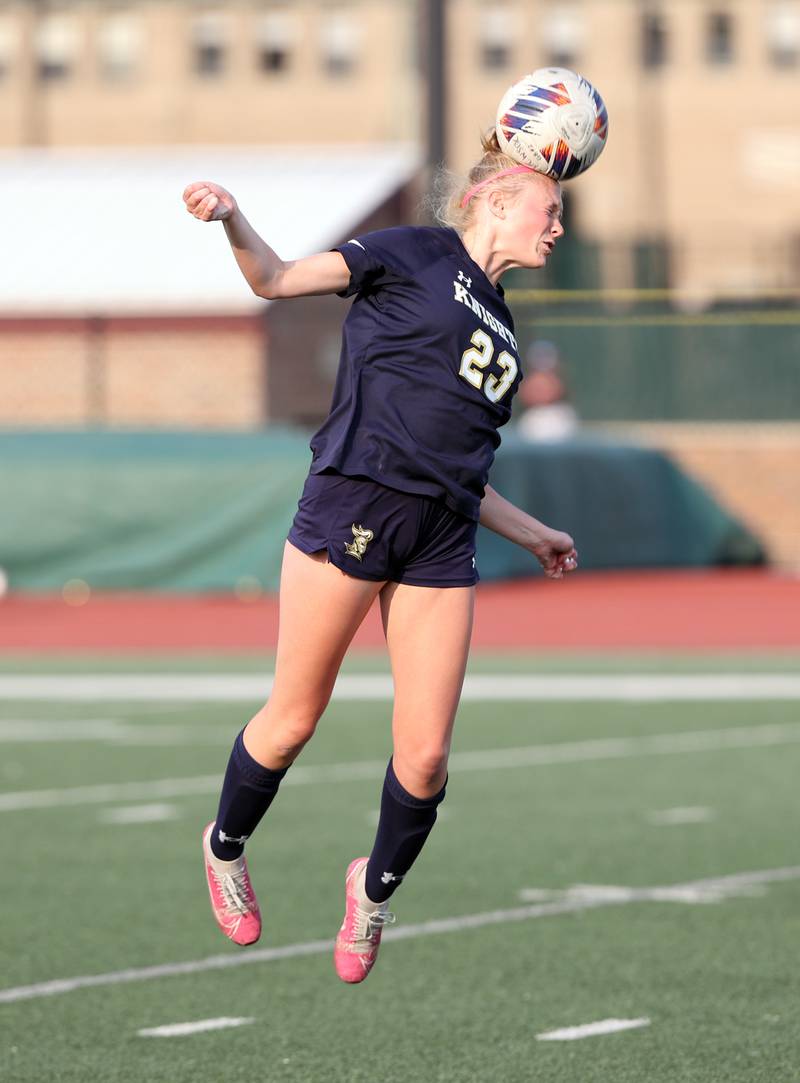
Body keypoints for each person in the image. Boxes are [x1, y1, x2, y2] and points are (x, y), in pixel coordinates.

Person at [182, 130, 578, 985]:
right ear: (497, 200)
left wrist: (533, 529)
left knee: (427, 754)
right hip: (354, 500)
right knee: (293, 719)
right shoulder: (412, 252)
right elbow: (276, 280)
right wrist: (234, 219)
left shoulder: (505, 329)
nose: (559, 228)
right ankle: (223, 845)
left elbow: (462, 467)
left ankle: (371, 892)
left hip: (439, 534)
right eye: (552, 209)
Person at [516, 339, 580, 441]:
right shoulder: (529, 379)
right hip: (533, 416)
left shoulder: (558, 379)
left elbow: (558, 391)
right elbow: (525, 395)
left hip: (556, 414)